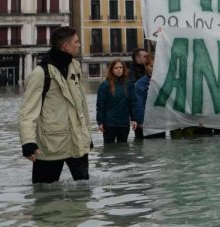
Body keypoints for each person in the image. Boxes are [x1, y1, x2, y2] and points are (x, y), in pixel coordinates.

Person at [18, 27, 92, 184]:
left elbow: (82, 104)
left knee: (83, 193)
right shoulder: (40, 73)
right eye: (76, 42)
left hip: (78, 142)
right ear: (65, 46)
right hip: (50, 145)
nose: (79, 45)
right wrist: (28, 142)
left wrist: (87, 135)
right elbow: (27, 111)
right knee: (44, 194)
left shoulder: (75, 67)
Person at [96, 60, 135, 144]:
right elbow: (100, 105)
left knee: (123, 148)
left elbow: (132, 103)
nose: (119, 70)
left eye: (120, 67)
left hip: (124, 123)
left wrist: (134, 119)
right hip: (109, 124)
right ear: (112, 70)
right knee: (109, 148)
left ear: (123, 69)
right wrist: (100, 122)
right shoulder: (104, 85)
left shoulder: (128, 84)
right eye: (116, 68)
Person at [131, 53, 165, 139]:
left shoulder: (164, 82)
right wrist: (140, 121)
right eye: (151, 66)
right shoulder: (139, 84)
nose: (154, 68)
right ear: (146, 67)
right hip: (144, 122)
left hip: (159, 122)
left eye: (156, 66)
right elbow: (138, 104)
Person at [128, 48, 149, 139]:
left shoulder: (149, 69)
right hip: (139, 114)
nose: (147, 58)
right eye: (145, 56)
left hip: (152, 112)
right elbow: (133, 94)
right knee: (141, 140)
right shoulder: (131, 73)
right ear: (137, 59)